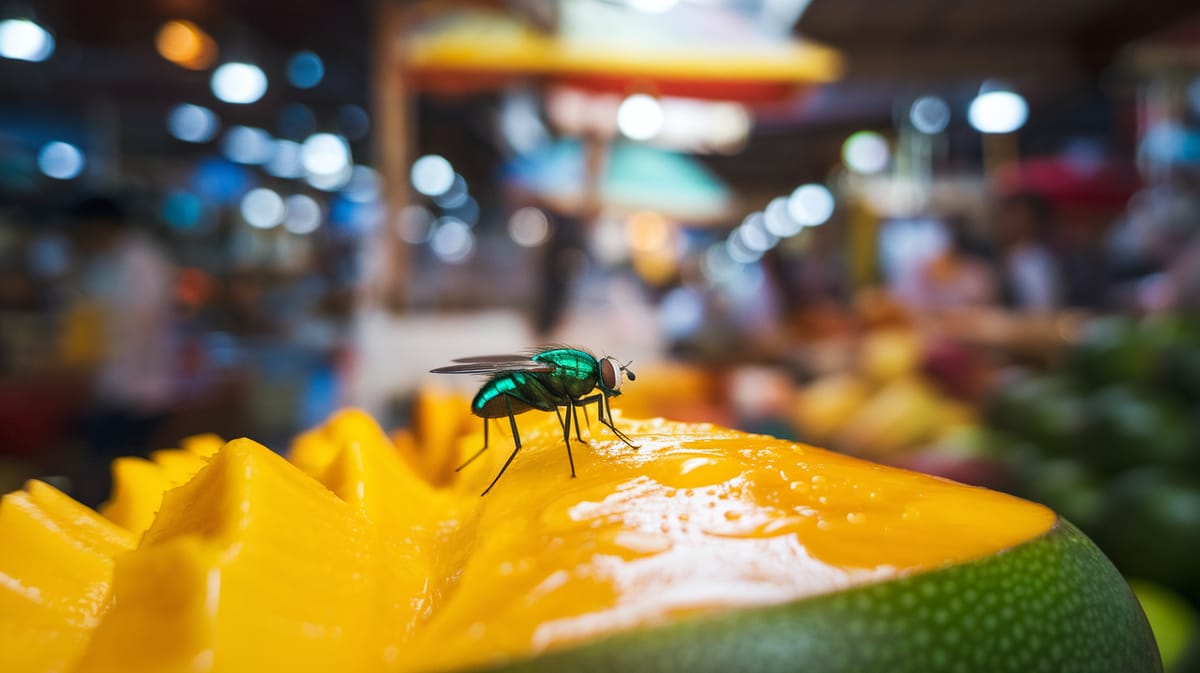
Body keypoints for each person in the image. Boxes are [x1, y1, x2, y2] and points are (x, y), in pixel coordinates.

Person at [70, 196, 177, 491]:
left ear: (104, 225)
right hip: (114, 386)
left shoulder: (143, 263)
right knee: (108, 469)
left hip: (139, 390)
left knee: (125, 476)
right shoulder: (106, 262)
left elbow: (139, 328)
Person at [994, 194, 1063, 313]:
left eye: (1013, 214)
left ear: (1033, 222)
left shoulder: (1035, 260)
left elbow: (1042, 307)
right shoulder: (1004, 255)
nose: (1005, 221)